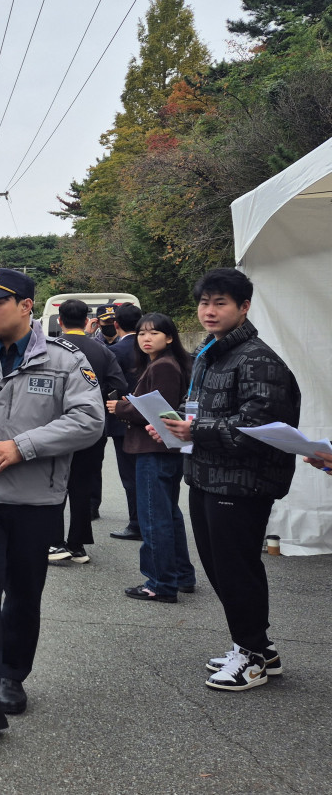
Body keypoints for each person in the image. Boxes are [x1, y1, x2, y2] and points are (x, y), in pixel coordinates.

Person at [0, 269, 104, 733]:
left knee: (24, 593)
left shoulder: (66, 361)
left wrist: (22, 446)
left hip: (36, 500)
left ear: (27, 306)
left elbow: (89, 420)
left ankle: (12, 674)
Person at [157, 269, 300, 691]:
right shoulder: (212, 352)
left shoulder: (258, 359)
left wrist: (194, 431)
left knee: (237, 570)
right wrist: (173, 423)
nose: (210, 311)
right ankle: (258, 647)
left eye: (220, 303)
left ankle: (252, 656)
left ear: (244, 307)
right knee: (221, 568)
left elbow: (261, 425)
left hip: (241, 484)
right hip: (205, 476)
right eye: (204, 303)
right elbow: (201, 408)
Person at [109, 313, 196, 603]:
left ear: (169, 337)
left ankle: (159, 583)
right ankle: (181, 575)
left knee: (153, 518)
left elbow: (162, 410)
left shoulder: (164, 366)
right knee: (168, 514)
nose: (146, 338)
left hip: (154, 449)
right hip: (163, 450)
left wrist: (120, 408)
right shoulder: (164, 363)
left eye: (154, 333)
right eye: (142, 333)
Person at [48, 299, 126, 565]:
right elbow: (119, 384)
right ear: (86, 321)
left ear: (59, 321)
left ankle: (55, 542)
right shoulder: (102, 351)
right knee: (83, 484)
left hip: (55, 426)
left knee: (54, 482)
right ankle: (78, 545)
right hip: (92, 427)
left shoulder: (50, 349)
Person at [107, 303, 144, 539]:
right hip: (151, 418)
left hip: (123, 418)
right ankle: (149, 518)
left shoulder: (115, 352)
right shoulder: (152, 347)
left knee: (130, 475)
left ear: (116, 324)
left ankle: (136, 523)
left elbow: (112, 385)